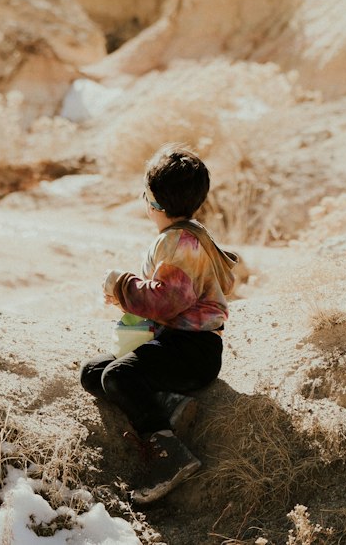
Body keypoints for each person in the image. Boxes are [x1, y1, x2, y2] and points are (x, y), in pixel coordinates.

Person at [80, 145, 239, 505]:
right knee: (93, 372)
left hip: (193, 351)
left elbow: (168, 300)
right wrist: (129, 298)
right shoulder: (186, 235)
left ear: (153, 202)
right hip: (174, 344)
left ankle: (169, 457)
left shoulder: (179, 241)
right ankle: (168, 403)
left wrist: (121, 284)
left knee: (119, 376)